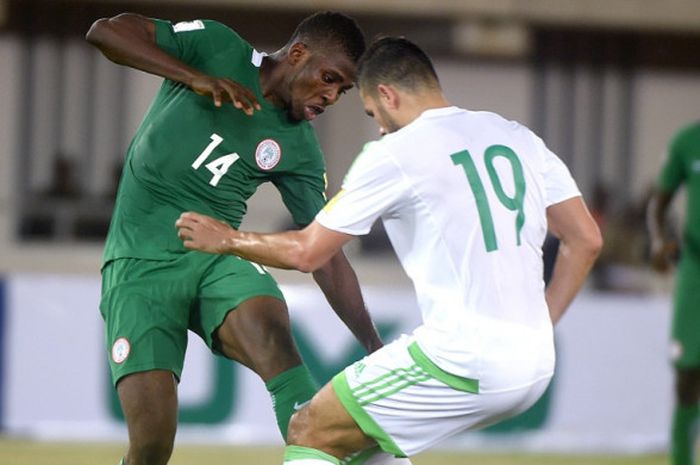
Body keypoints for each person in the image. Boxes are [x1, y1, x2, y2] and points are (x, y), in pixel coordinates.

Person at [175, 36, 603, 463]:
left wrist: (228, 239)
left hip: (465, 356)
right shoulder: (516, 136)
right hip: (536, 361)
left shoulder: (397, 152)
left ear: (386, 94)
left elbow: (308, 252)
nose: (378, 126)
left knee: (309, 429)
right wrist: (539, 325)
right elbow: (585, 240)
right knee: (360, 437)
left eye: (371, 113)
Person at [86, 11, 408, 465]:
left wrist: (372, 343)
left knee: (279, 347)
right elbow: (105, 31)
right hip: (138, 263)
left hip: (217, 257)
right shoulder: (217, 47)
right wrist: (193, 77)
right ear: (298, 54)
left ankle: (340, 454)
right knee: (153, 444)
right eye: (329, 78)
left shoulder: (298, 148)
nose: (332, 95)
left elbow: (325, 254)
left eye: (343, 90)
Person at [648, 121, 700, 465]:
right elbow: (659, 202)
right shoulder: (688, 141)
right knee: (687, 377)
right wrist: (658, 240)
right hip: (696, 271)